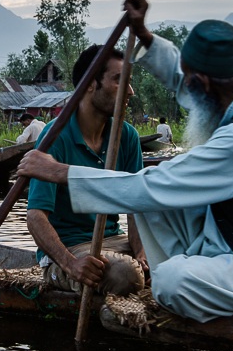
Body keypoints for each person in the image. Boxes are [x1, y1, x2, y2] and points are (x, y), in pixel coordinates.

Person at [18, 0, 233, 322]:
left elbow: (154, 187)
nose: (184, 90)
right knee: (157, 213)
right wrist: (145, 35)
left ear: (205, 83)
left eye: (192, 84)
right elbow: (37, 215)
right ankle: (204, 269)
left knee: (168, 281)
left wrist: (63, 173)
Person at [25, 44, 147, 296]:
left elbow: (136, 207)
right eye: (118, 80)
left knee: (178, 261)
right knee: (124, 275)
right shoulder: (55, 136)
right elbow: (35, 217)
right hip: (73, 249)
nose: (131, 91)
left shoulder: (126, 136)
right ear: (91, 84)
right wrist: (70, 264)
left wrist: (143, 252)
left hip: (115, 242)